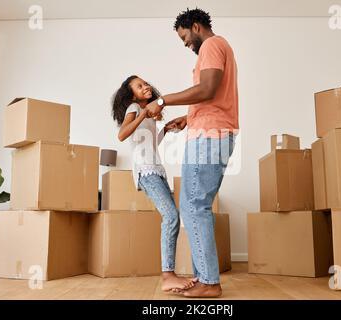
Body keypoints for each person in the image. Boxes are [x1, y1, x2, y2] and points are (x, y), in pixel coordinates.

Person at [146, 8, 239, 298]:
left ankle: (209, 283)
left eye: (186, 38)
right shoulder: (218, 47)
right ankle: (204, 278)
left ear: (196, 27)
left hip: (210, 137)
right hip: (211, 132)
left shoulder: (211, 45)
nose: (187, 45)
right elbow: (213, 95)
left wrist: (163, 101)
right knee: (194, 206)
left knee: (193, 207)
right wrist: (188, 119)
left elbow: (208, 89)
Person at [111, 75, 197, 292]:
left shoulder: (148, 117)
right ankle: (168, 274)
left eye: (146, 83)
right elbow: (122, 135)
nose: (146, 86)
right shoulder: (133, 107)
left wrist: (165, 130)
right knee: (171, 216)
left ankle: (169, 272)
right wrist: (141, 115)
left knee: (172, 216)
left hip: (156, 170)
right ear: (132, 95)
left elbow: (149, 144)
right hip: (146, 171)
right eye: (140, 86)